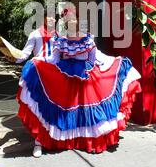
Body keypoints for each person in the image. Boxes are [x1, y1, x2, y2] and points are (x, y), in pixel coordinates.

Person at [16, 10, 142, 157]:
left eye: (73, 19)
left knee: (87, 114)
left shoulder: (88, 38)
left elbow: (96, 57)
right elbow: (53, 59)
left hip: (86, 77)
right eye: (67, 19)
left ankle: (88, 140)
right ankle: (40, 141)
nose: (71, 22)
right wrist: (37, 62)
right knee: (53, 110)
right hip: (65, 77)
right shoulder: (59, 39)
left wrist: (114, 61)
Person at [1, 10, 56, 157]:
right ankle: (38, 142)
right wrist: (14, 58)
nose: (52, 19)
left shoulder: (59, 35)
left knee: (54, 110)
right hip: (39, 74)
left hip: (56, 75)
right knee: (39, 108)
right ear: (43, 18)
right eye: (48, 16)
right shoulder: (35, 34)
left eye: (54, 16)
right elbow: (24, 54)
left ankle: (53, 139)